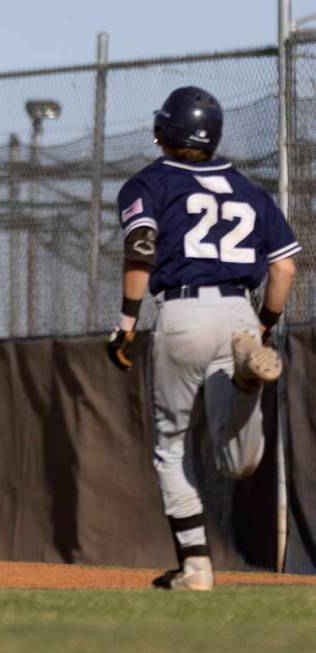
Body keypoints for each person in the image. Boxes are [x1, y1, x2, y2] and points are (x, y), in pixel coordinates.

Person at [106, 87, 299, 591]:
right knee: (235, 463)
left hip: (183, 310)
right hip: (239, 312)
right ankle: (245, 382)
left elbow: (141, 250)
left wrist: (126, 322)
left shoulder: (147, 184)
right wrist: (264, 326)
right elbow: (284, 267)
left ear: (161, 132)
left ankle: (195, 568)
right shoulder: (251, 191)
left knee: (171, 447)